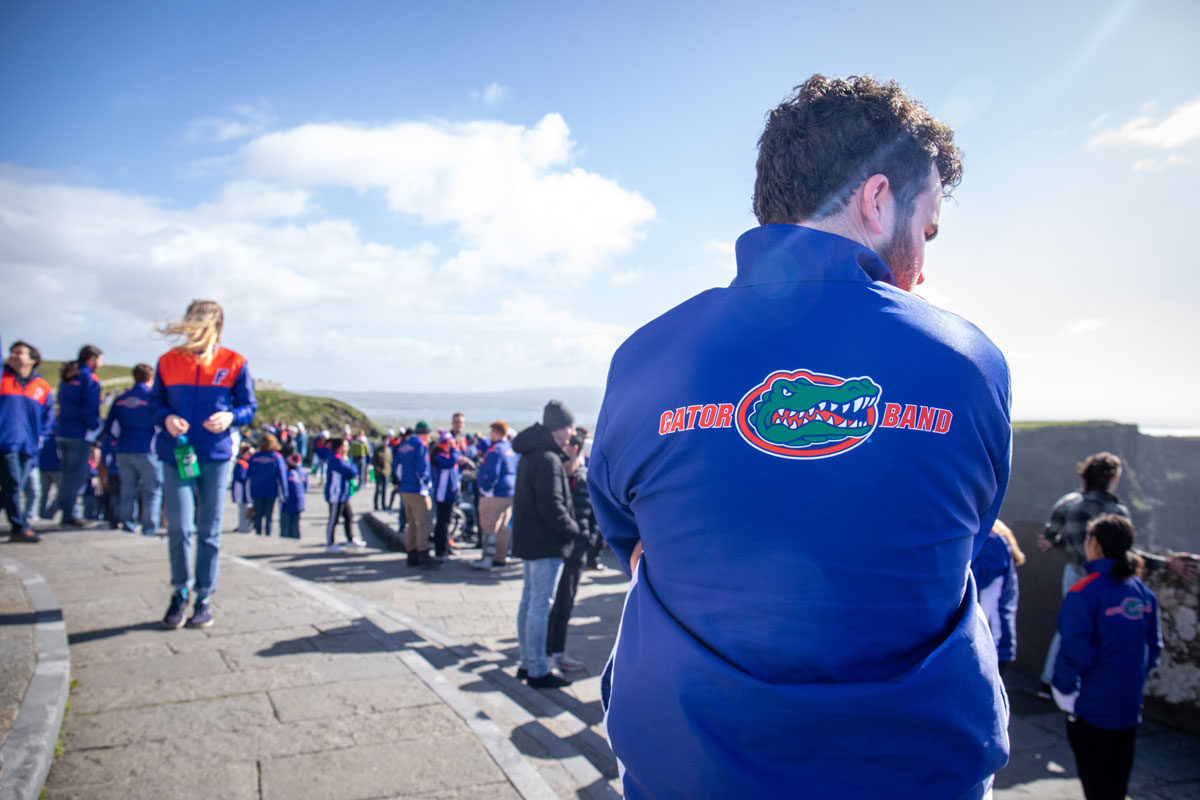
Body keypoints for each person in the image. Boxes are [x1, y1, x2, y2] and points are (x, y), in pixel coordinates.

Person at [588, 75, 1012, 798]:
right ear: (879, 200)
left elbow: (624, 531)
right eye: (929, 224)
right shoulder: (968, 361)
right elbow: (965, 535)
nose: (926, 256)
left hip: (688, 764)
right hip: (910, 770)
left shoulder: (647, 354)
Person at [1037, 452, 1198, 698]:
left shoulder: (1067, 503)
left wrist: (1053, 541)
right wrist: (1168, 563)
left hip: (1073, 576)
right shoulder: (1115, 511)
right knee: (1104, 630)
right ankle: (1091, 685)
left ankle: (1052, 684)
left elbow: (1052, 535)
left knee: (1070, 628)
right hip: (1105, 579)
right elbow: (1128, 552)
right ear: (1112, 479)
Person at [150, 300, 257, 630]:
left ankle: (204, 596)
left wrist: (231, 417)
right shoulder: (168, 362)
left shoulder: (235, 362)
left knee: (210, 530)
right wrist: (166, 418)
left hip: (215, 454)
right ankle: (179, 590)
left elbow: (248, 407)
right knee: (180, 526)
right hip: (176, 452)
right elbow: (154, 402)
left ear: (217, 326)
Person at [1052, 514, 1161, 800]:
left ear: (1095, 544)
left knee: (1096, 784)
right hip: (1128, 706)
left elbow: (1075, 651)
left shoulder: (1083, 592)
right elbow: (1154, 648)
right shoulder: (1144, 593)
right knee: (1117, 784)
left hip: (1091, 707)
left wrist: (1063, 689)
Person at [512, 400, 579, 689]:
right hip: (545, 543)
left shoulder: (532, 454)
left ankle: (528, 662)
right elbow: (552, 507)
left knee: (529, 603)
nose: (573, 433)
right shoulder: (548, 459)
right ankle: (538, 669)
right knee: (540, 605)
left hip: (530, 541)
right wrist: (573, 530)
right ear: (560, 428)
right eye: (570, 427)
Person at [546, 432, 595, 672]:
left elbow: (594, 512)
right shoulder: (554, 477)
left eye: (566, 446)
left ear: (575, 449)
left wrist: (591, 538)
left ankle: (557, 652)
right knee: (548, 605)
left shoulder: (585, 477)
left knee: (566, 603)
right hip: (555, 549)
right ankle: (545, 654)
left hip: (578, 550)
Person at [0, 340, 54, 543]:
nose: (13, 356)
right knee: (13, 484)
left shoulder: (42, 387)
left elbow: (48, 418)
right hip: (5, 442)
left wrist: (41, 439)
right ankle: (19, 527)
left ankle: (18, 525)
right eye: (11, 352)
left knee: (12, 488)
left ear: (32, 359)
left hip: (28, 445)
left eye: (19, 353)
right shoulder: (2, 378)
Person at [102, 363, 163, 535]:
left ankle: (128, 524)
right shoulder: (152, 399)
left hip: (124, 449)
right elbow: (161, 424)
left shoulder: (120, 399)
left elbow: (110, 428)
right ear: (151, 379)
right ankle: (149, 528)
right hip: (147, 450)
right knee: (152, 491)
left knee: (128, 490)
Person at [56, 344, 103, 527]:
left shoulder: (68, 376)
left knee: (67, 474)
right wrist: (96, 429)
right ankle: (70, 513)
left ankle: (67, 511)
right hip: (80, 433)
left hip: (63, 430)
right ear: (92, 359)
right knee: (76, 475)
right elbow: (90, 408)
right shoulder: (89, 378)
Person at [972, 519, 1024, 675]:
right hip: (988, 641)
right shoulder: (992, 539)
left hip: (991, 642)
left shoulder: (992, 542)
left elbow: (969, 580)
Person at [472, 420, 517, 569]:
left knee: (489, 527)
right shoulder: (509, 449)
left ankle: (487, 558)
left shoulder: (495, 450)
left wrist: (485, 490)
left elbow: (491, 473)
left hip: (494, 495)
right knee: (503, 527)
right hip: (508, 493)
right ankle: (500, 557)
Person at [395, 421, 436, 567]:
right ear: (425, 433)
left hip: (405, 488)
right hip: (418, 489)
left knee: (411, 522)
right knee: (423, 523)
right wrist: (426, 485)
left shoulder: (404, 445)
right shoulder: (420, 445)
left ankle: (411, 553)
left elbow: (398, 468)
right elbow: (422, 468)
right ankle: (423, 553)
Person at [323, 436, 365, 553]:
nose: (347, 448)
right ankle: (330, 543)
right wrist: (350, 464)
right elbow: (351, 472)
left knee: (349, 516)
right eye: (345, 446)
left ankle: (350, 539)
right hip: (335, 495)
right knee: (334, 519)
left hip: (344, 494)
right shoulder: (335, 460)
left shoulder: (341, 459)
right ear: (338, 448)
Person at [247, 432, 287, 536]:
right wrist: (285, 493)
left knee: (258, 515)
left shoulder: (255, 457)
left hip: (256, 490)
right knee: (269, 516)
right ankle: (267, 534)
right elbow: (282, 477)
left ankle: (258, 533)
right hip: (271, 491)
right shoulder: (277, 457)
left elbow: (248, 476)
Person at [430, 430, 462, 559]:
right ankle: (440, 550)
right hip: (443, 495)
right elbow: (450, 463)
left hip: (450, 494)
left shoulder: (446, 454)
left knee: (447, 522)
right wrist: (455, 449)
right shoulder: (439, 456)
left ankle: (446, 547)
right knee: (442, 523)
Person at [280, 453, 308, 539]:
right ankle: (295, 539)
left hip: (287, 502)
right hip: (299, 502)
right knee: (296, 523)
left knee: (285, 524)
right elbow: (306, 487)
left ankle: (285, 540)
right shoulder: (303, 473)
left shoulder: (285, 474)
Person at [37, 421, 60, 521]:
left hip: (46, 465)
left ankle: (45, 515)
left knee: (44, 494)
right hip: (54, 467)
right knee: (60, 494)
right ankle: (46, 515)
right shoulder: (59, 428)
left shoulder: (42, 426)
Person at [230, 443, 253, 533]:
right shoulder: (241, 463)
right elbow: (240, 477)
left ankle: (245, 526)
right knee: (243, 510)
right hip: (242, 491)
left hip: (245, 490)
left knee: (246, 509)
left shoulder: (246, 463)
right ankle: (243, 527)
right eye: (249, 453)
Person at [372, 434, 392, 511]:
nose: (386, 442)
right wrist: (378, 470)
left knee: (384, 490)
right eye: (385, 441)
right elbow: (374, 461)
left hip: (387, 473)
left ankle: (384, 505)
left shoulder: (389, 450)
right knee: (378, 489)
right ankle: (376, 505)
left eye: (387, 441)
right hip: (379, 473)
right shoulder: (377, 450)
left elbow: (390, 462)